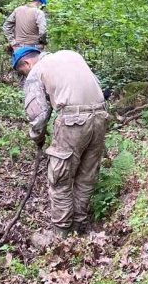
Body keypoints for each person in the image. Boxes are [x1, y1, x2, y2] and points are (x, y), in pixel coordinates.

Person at [13, 45, 107, 245]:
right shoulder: (71, 55)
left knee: (60, 178)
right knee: (86, 176)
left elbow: (37, 114)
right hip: (100, 116)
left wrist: (37, 137)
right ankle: (79, 227)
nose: (25, 75)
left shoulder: (37, 71)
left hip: (73, 121)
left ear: (27, 63)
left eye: (22, 72)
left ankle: (61, 236)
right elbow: (97, 85)